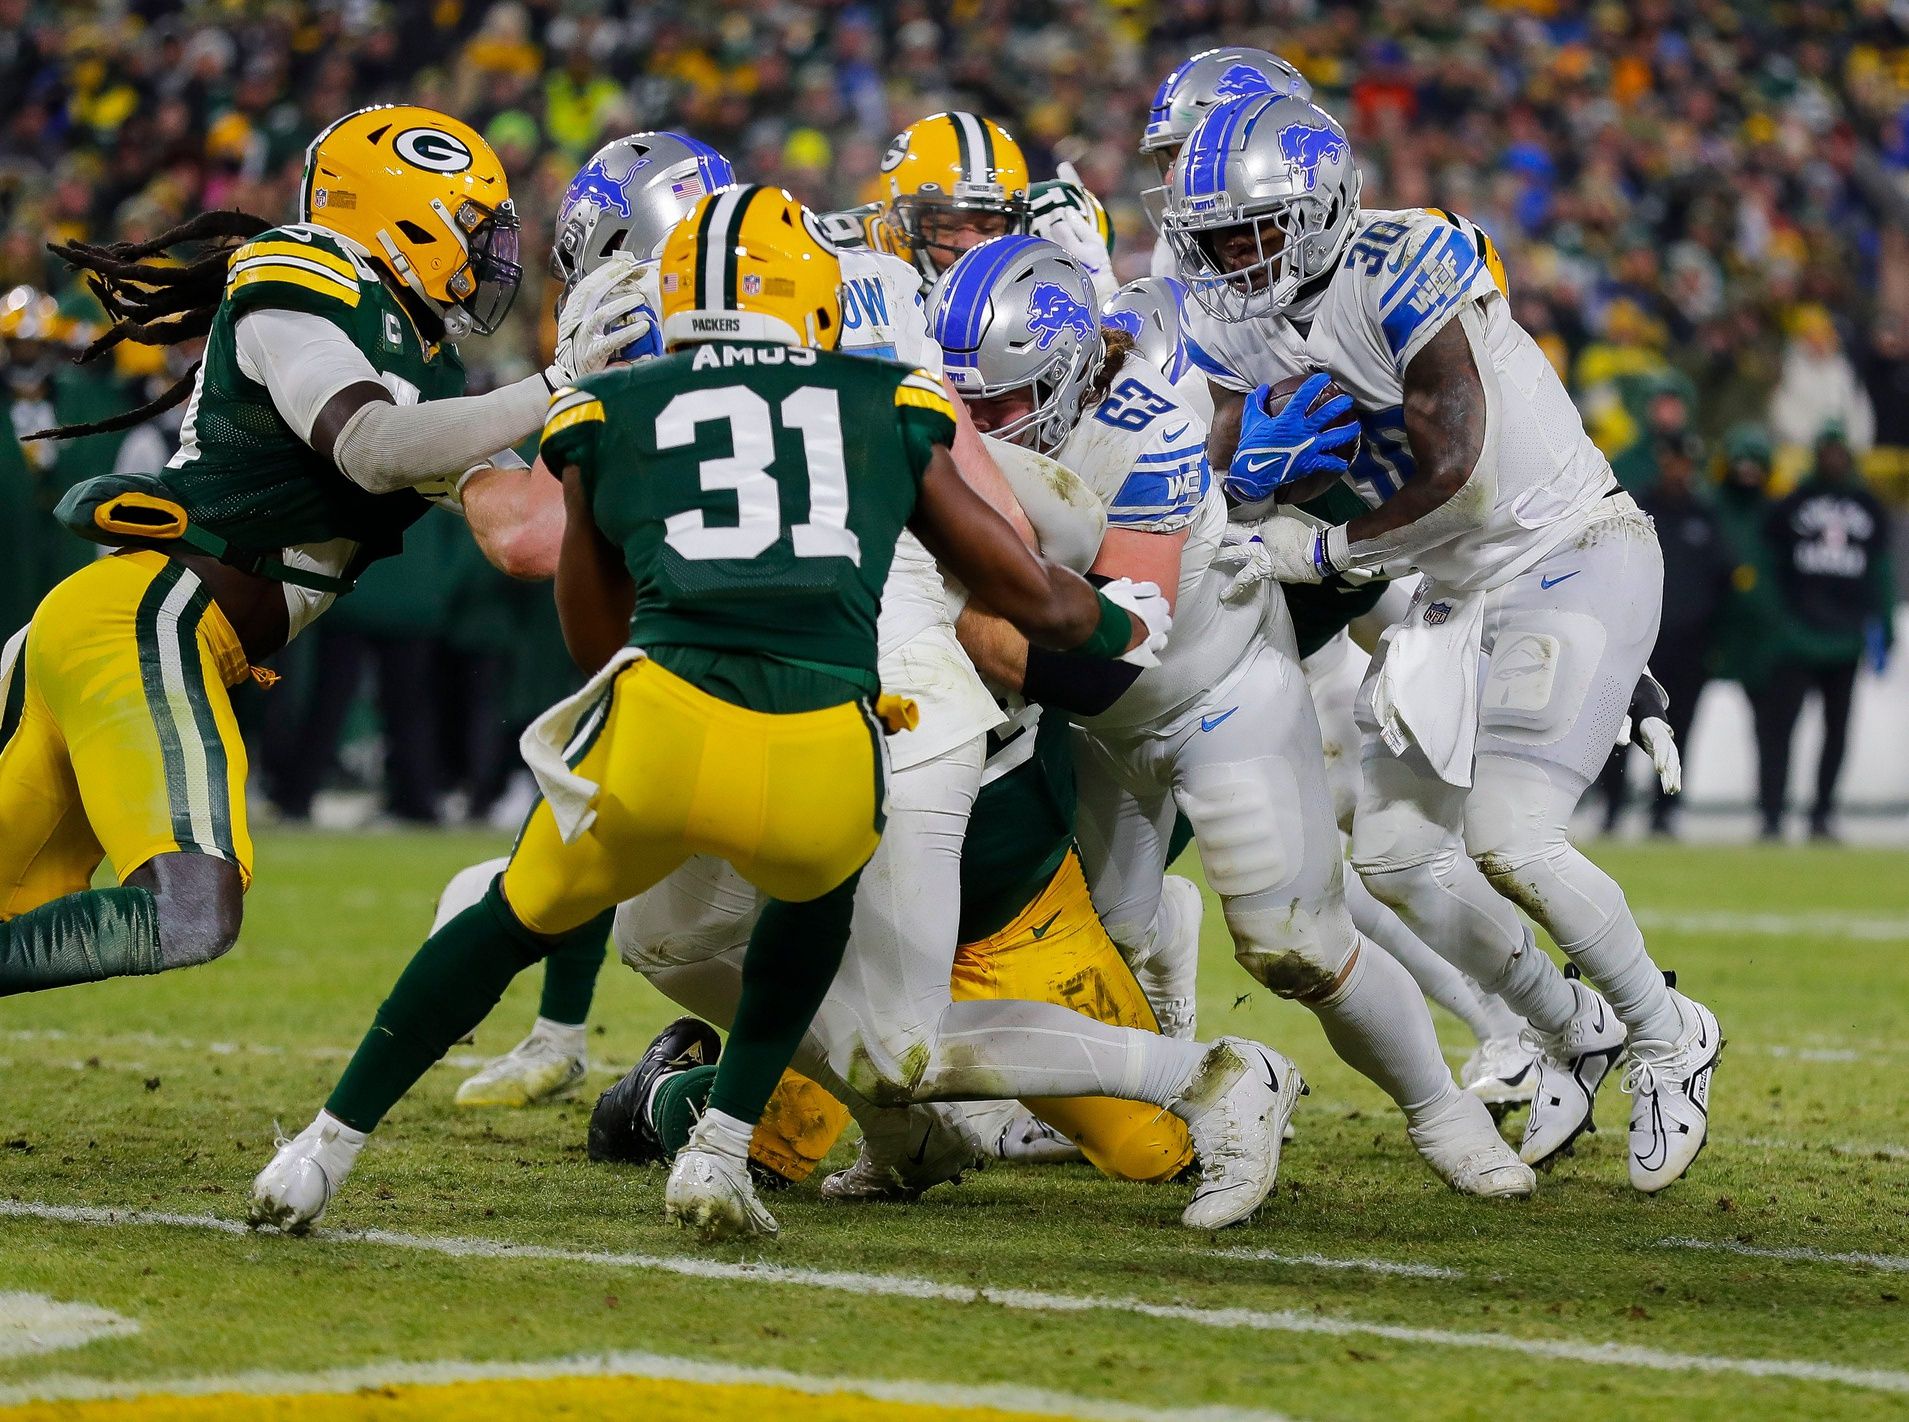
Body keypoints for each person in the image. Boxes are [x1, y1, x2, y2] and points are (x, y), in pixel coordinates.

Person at [249, 184, 1303, 1244]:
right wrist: (1113, 622)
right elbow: (1025, 564)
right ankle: (843, 1136)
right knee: (668, 940)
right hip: (836, 713)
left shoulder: (616, 407)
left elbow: (591, 637)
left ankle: (1213, 1075)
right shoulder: (886, 393)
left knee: (885, 1044)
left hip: (889, 715)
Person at [1166, 93, 1722, 1193]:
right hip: (1447, 587)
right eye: (1215, 235)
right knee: (1396, 859)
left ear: (1322, 208)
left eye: (1254, 228)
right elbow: (1220, 492)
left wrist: (1320, 552)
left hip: (1559, 548)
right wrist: (1246, 492)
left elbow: (1463, 488)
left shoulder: (1403, 262)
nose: (1234, 255)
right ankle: (1572, 1027)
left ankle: (1668, 1033)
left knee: (1511, 836)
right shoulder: (1227, 316)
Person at [934, 235, 1533, 1197]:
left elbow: (1110, 661)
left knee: (1297, 943)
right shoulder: (953, 418)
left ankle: (1442, 1113)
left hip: (1212, 699)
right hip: (1090, 733)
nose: (972, 424)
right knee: (1095, 939)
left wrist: (957, 622)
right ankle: (1181, 1108)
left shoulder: (1146, 430)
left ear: (1065, 373)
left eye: (997, 404)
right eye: (957, 398)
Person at [0, 104, 638, 995]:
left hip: (141, 637)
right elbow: (372, 446)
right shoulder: (300, 271)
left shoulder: (426, 367)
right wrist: (553, 383)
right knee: (189, 907)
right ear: (403, 209)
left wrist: (622, 404)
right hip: (143, 624)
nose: (490, 259)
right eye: (473, 231)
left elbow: (527, 535)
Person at [1754, 426, 1896, 840]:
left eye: (1840, 451)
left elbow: (1881, 574)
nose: (1834, 458)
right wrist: (1779, 624)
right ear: (1818, 454)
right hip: (1797, 636)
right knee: (1781, 730)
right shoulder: (1790, 505)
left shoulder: (1868, 506)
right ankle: (1772, 815)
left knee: (1837, 732)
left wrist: (1882, 627)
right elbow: (1767, 569)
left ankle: (1822, 814)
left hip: (1844, 638)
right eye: (1828, 450)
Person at [1595, 431, 1730, 836]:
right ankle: (1612, 807)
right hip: (1638, 642)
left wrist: (1714, 640)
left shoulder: (1705, 515)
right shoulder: (1639, 511)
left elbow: (1722, 582)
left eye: (1685, 462)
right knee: (1617, 729)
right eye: (1673, 460)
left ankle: (1664, 810)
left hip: (1690, 645)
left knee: (1679, 728)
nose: (1679, 469)